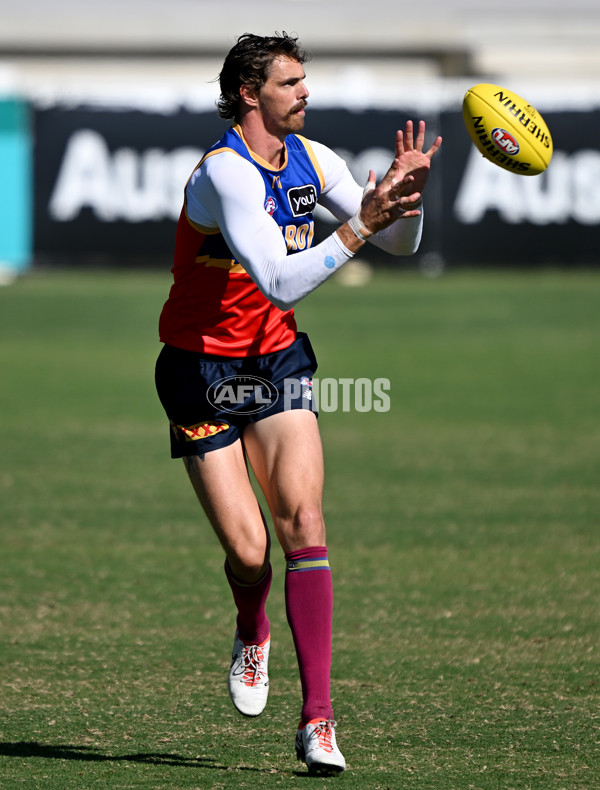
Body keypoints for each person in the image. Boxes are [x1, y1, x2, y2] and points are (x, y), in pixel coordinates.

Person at [155, 32, 441, 775]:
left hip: (276, 362)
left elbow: (400, 246)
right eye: (290, 83)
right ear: (250, 94)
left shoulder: (316, 160)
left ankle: (319, 721)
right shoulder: (225, 174)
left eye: (305, 81)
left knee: (305, 524)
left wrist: (402, 205)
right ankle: (253, 624)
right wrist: (360, 227)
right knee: (250, 552)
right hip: (201, 371)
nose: (305, 93)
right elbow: (280, 278)